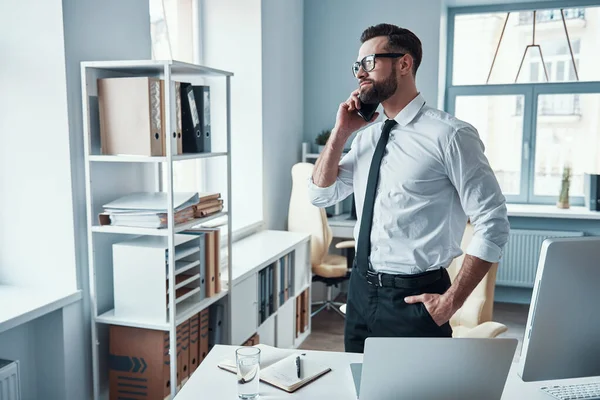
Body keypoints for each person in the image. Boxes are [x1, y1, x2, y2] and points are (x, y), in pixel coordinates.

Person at [307, 23, 510, 353]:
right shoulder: (367, 137)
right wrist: (340, 133)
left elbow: (493, 223)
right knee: (362, 387)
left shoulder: (450, 135)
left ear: (404, 63)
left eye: (369, 62)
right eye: (357, 65)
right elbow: (320, 194)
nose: (360, 73)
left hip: (415, 298)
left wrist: (451, 302)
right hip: (359, 291)